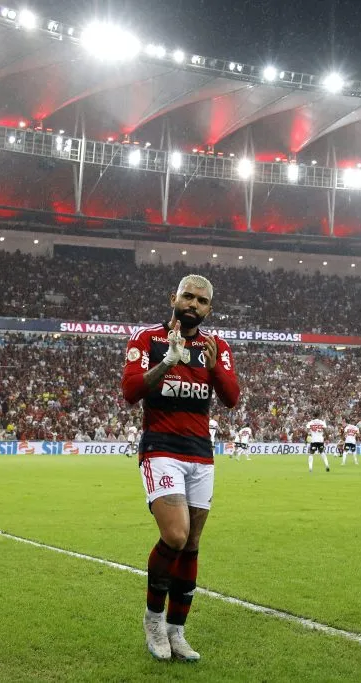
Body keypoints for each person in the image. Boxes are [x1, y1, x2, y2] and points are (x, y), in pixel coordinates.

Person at [121, 274, 240, 662]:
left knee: (191, 544)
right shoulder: (148, 340)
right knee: (175, 535)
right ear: (173, 297)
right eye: (187, 296)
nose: (193, 304)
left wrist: (213, 366)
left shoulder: (216, 346)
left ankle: (177, 631)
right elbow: (130, 392)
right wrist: (168, 362)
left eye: (202, 301)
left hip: (201, 453)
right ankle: (154, 620)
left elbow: (232, 398)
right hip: (161, 448)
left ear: (209, 308)